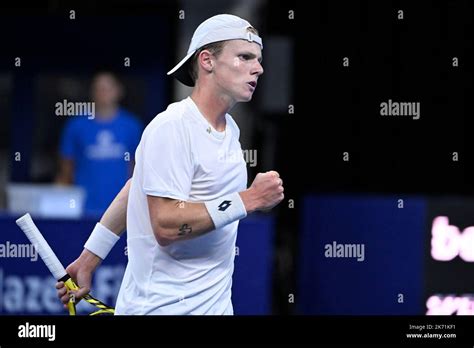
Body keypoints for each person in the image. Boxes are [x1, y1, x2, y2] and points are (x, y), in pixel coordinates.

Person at [56, 14, 284, 315]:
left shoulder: (230, 129)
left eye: (258, 59)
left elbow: (136, 187)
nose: (259, 68)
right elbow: (165, 224)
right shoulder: (171, 127)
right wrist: (249, 200)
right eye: (245, 57)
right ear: (207, 61)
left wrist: (89, 258)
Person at [56, 71, 142, 216]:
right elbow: (66, 167)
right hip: (83, 208)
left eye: (108, 88)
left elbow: (136, 167)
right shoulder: (77, 125)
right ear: (92, 92)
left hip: (120, 208)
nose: (103, 93)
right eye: (99, 89)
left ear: (118, 91)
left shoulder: (131, 125)